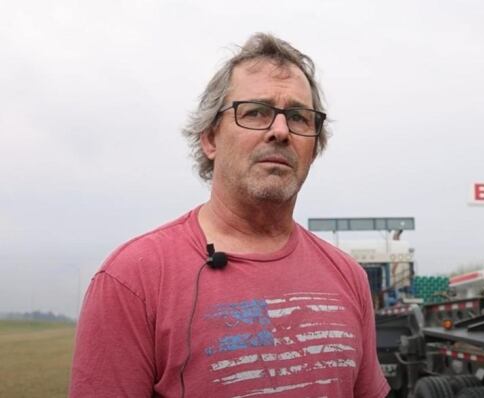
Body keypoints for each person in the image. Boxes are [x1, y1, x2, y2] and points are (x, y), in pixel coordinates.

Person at [69, 33, 390, 398]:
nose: (281, 131)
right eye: (256, 112)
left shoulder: (348, 277)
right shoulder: (133, 279)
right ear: (210, 139)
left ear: (314, 147)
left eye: (299, 117)